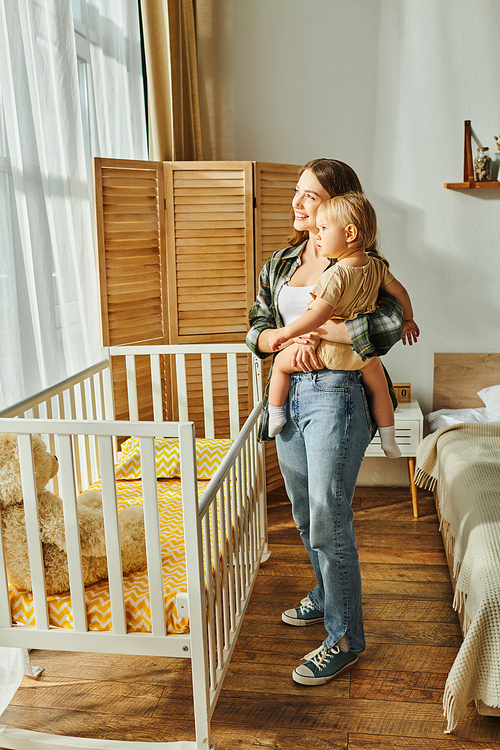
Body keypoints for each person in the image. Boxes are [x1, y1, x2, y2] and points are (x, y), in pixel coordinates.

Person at [246, 158, 413, 687]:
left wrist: (321, 337)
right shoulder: (280, 262)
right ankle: (325, 593)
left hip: (337, 396)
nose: (297, 204)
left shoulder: (360, 262)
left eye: (309, 197)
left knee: (328, 515)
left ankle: (345, 638)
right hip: (288, 390)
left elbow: (385, 330)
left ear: (341, 208)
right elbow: (256, 324)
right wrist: (275, 342)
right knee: (302, 509)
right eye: (297, 193)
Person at [266, 192, 419, 457]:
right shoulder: (377, 267)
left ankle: (275, 416)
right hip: (361, 356)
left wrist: (287, 331)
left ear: (349, 233)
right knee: (381, 387)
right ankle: (389, 440)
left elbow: (319, 316)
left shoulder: (335, 274)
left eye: (324, 228)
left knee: (280, 364)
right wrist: (409, 320)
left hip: (327, 355)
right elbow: (402, 292)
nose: (319, 235)